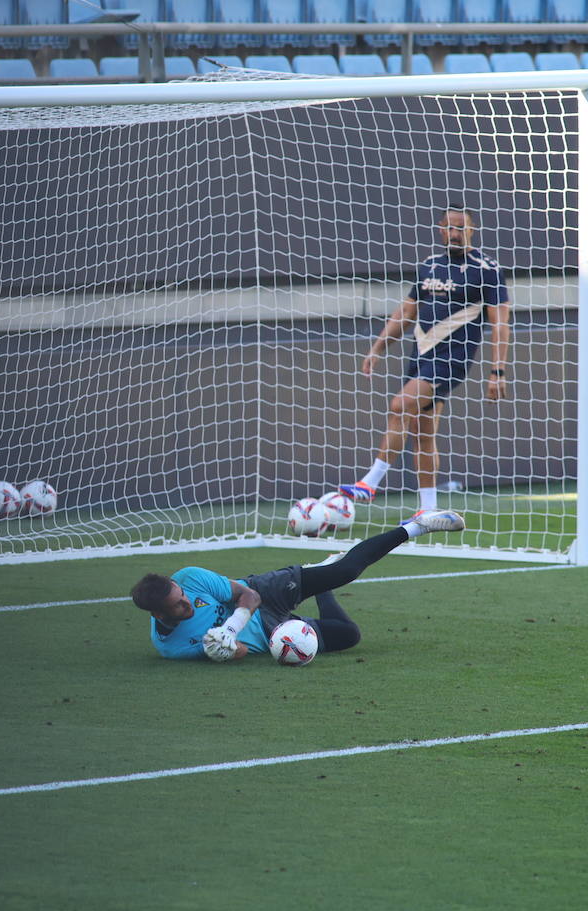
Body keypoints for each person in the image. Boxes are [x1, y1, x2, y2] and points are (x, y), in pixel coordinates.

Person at [339, 206, 511, 516]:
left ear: (472, 230)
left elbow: (500, 323)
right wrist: (377, 348)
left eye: (461, 227)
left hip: (452, 357)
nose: (455, 233)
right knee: (422, 432)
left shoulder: (486, 269)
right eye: (449, 227)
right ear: (440, 230)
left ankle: (370, 482)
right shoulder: (429, 266)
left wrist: (497, 370)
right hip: (420, 354)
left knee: (399, 405)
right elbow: (406, 313)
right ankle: (428, 509)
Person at [131, 510, 465, 662]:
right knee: (349, 635)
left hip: (264, 592)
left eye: (183, 596)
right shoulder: (172, 648)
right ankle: (321, 581)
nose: (187, 602)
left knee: (347, 569)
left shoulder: (190, 577)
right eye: (179, 606)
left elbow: (249, 595)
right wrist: (227, 650)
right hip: (273, 634)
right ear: (159, 614)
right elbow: (242, 652)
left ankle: (416, 526)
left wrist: (231, 627)